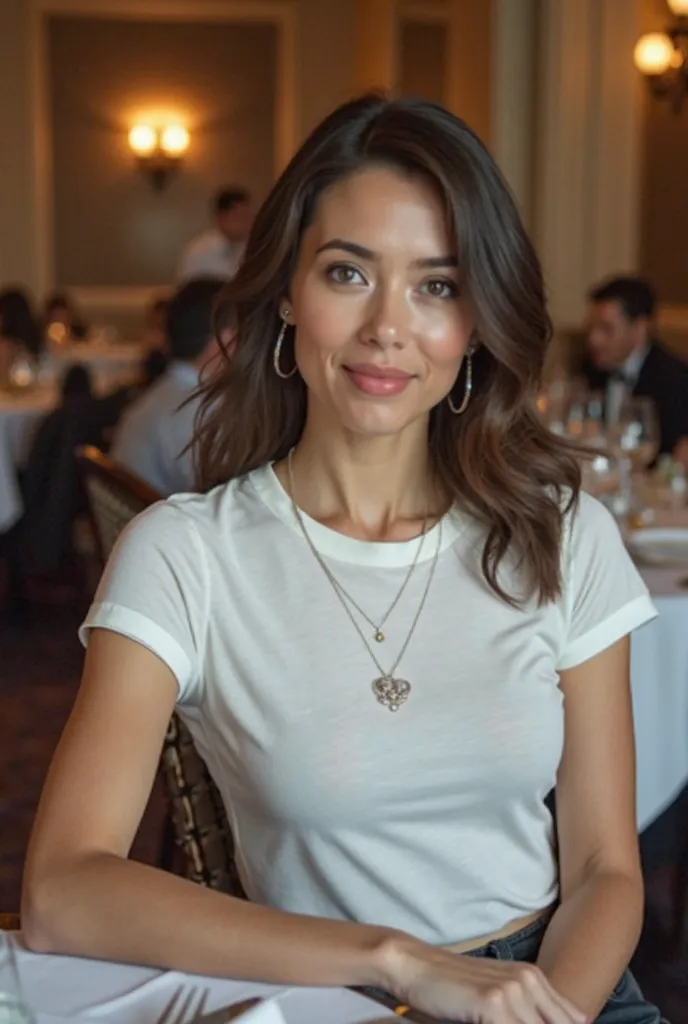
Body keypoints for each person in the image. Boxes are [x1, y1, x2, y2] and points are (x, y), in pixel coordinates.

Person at [22, 95, 666, 1024]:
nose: (388, 329)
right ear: (287, 291)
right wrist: (398, 963)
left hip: (556, 988)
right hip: (322, 991)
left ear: (478, 320)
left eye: (437, 286)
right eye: (348, 273)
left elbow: (607, 869)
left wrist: (541, 1010)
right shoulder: (185, 554)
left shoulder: (562, 531)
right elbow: (61, 892)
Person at [110, 277, 227, 496]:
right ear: (223, 340)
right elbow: (218, 504)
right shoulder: (197, 411)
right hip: (158, 523)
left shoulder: (162, 394)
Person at [583, 276, 688, 458]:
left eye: (606, 329)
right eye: (591, 328)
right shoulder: (589, 368)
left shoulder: (676, 380)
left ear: (640, 329)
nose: (593, 340)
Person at [177, 187, 252, 283]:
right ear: (221, 217)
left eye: (249, 216)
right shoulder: (201, 252)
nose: (248, 222)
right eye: (241, 216)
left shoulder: (249, 246)